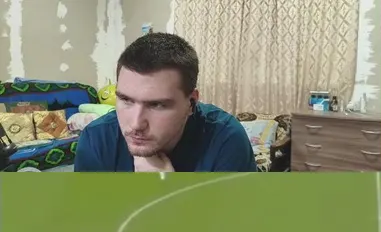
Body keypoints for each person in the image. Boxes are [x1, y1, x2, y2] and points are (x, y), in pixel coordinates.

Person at [75, 33, 255, 173]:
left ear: (191, 103)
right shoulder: (96, 139)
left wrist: (168, 190)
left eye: (157, 105)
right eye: (126, 100)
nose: (136, 124)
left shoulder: (226, 139)